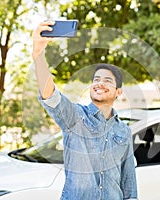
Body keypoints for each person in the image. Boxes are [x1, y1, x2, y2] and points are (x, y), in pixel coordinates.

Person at [32, 20, 138, 200]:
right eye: (96, 80)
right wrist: (38, 54)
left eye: (108, 80)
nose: (100, 83)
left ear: (118, 92)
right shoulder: (75, 118)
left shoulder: (124, 131)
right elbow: (51, 96)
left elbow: (129, 185)